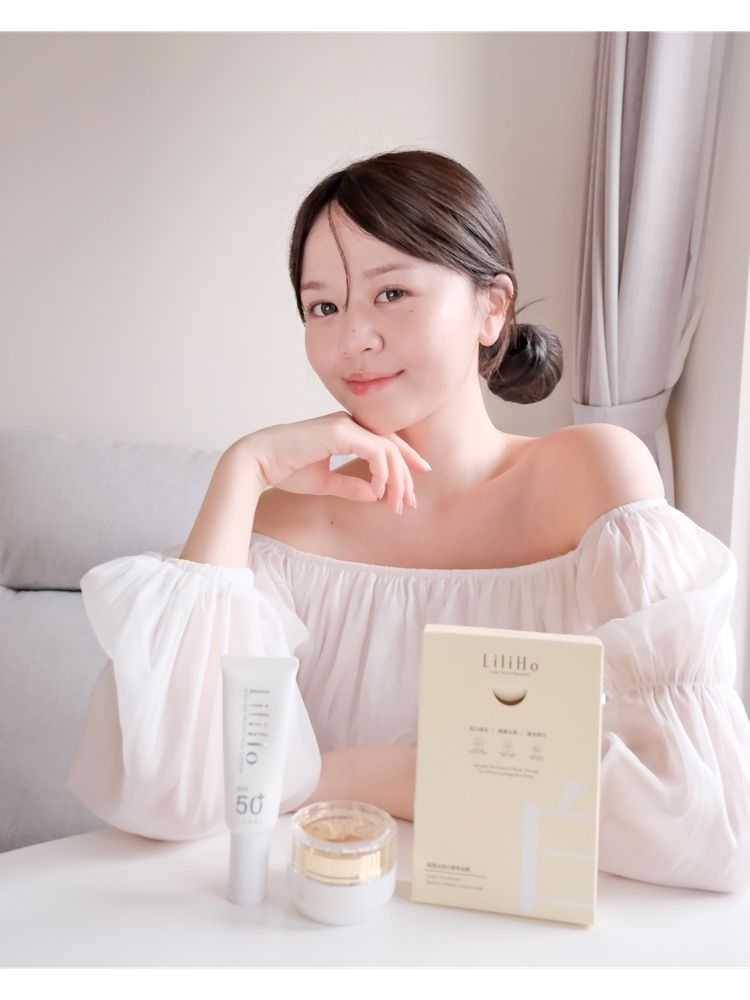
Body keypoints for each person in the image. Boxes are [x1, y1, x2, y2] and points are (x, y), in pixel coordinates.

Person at [66, 148, 750, 894]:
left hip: (521, 934)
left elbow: (701, 815)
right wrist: (243, 469)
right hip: (311, 922)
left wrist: (342, 775)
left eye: (391, 293)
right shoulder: (285, 525)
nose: (351, 340)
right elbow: (173, 795)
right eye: (323, 307)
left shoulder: (590, 480)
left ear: (491, 309)